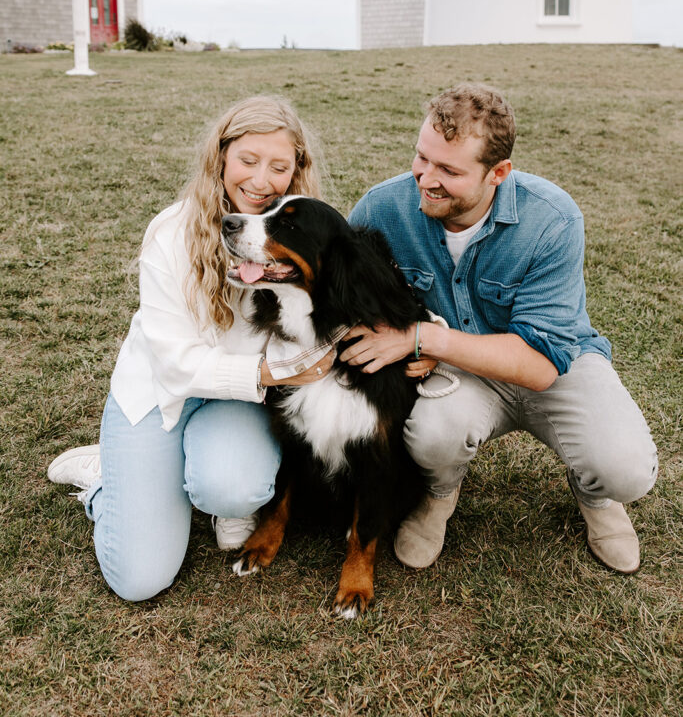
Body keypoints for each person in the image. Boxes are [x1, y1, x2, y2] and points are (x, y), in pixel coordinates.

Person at [341, 83, 657, 574]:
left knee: (626, 469)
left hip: (556, 363)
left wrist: (423, 337)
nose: (426, 179)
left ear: (499, 173)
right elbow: (349, 296)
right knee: (431, 436)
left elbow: (538, 365)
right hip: (459, 370)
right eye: (422, 157)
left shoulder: (551, 218)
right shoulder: (381, 209)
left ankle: (595, 497)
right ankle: (439, 494)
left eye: (449, 170)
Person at [47, 96, 334, 602]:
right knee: (140, 580)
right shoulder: (172, 233)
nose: (262, 180)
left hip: (237, 401)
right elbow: (177, 366)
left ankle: (214, 489)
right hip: (159, 397)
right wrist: (271, 373)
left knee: (233, 486)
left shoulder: (303, 234)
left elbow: (349, 295)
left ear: (297, 171)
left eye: (279, 167)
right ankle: (105, 479)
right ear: (221, 156)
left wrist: (420, 332)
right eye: (248, 160)